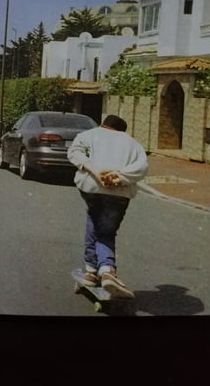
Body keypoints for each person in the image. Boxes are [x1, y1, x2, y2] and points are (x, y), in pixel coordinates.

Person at [66, 114, 148, 299]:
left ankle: (91, 270)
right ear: (122, 130)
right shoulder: (132, 142)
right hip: (120, 192)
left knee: (94, 220)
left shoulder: (90, 134)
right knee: (106, 231)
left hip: (92, 187)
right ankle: (107, 269)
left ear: (104, 124)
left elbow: (74, 152)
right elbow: (142, 167)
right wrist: (119, 177)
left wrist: (95, 170)